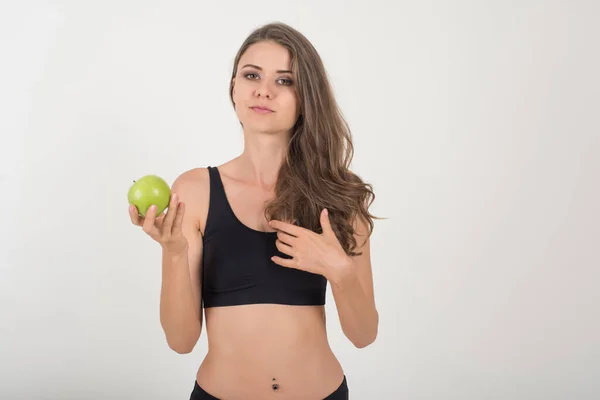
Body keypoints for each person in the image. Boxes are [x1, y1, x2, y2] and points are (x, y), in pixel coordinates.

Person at [129, 22, 379, 400]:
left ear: (305, 96)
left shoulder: (340, 194)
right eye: (251, 75)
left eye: (284, 81)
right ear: (234, 88)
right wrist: (175, 252)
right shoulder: (195, 190)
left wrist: (339, 271)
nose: (263, 89)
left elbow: (364, 335)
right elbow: (180, 341)